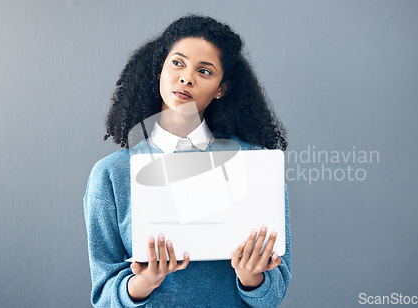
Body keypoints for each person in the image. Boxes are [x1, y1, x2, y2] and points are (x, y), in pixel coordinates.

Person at [84, 15, 291, 307]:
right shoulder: (111, 174)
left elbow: (276, 291)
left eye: (205, 71)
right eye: (177, 63)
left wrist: (251, 277)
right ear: (159, 70)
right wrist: (143, 282)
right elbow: (103, 295)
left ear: (222, 88)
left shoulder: (255, 164)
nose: (187, 78)